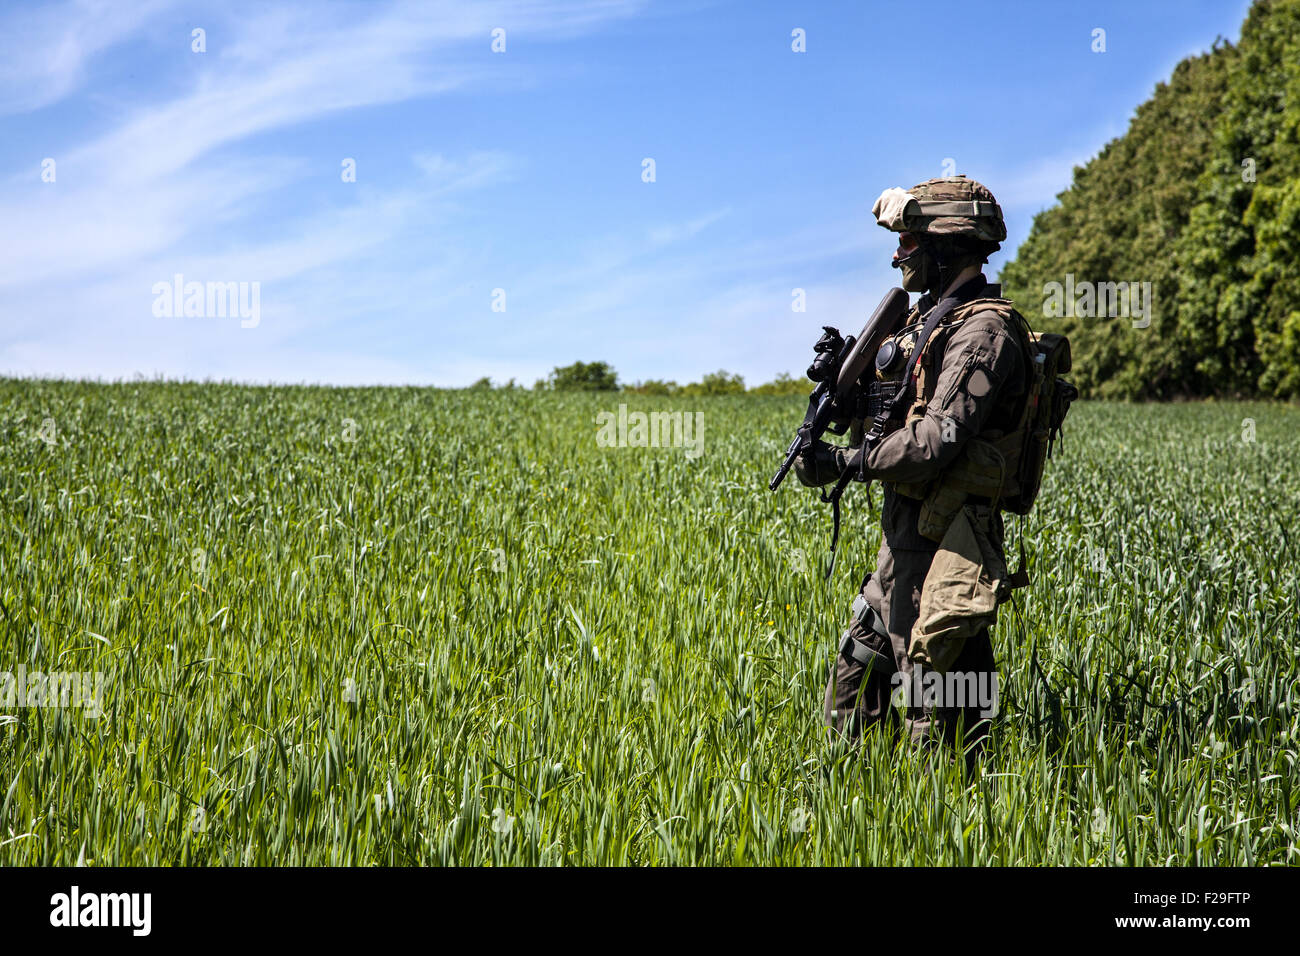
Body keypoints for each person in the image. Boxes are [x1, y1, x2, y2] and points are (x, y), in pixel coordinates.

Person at [794, 175, 1032, 772]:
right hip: (902, 541)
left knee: (942, 718)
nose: (899, 254)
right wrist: (842, 394)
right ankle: (846, 816)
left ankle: (952, 827)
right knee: (851, 697)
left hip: (949, 539)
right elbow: (892, 418)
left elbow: (934, 442)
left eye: (910, 241)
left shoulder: (985, 332)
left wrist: (846, 464)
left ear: (946, 246)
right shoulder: (924, 324)